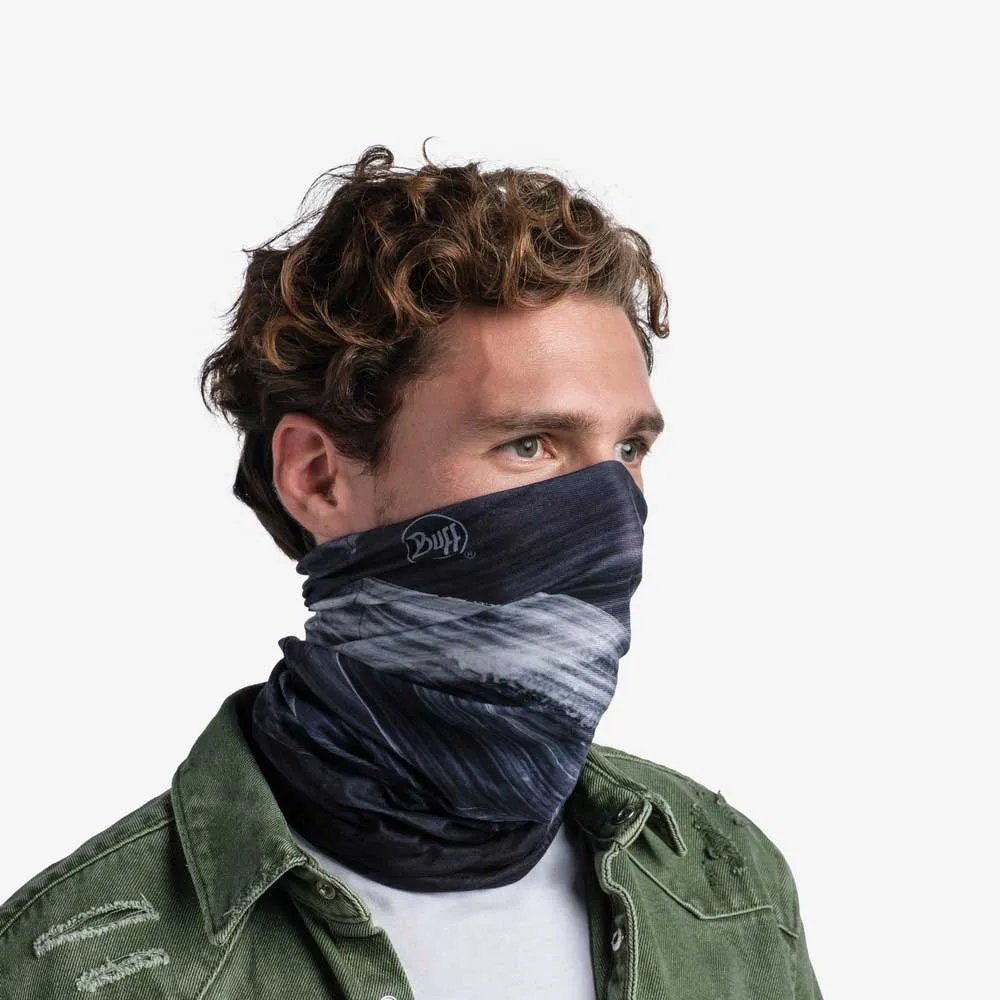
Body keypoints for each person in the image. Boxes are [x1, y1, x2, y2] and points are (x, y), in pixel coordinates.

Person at [0, 142, 823, 999]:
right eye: (530, 444)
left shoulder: (727, 888)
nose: (612, 514)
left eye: (627, 450)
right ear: (319, 478)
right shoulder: (71, 972)